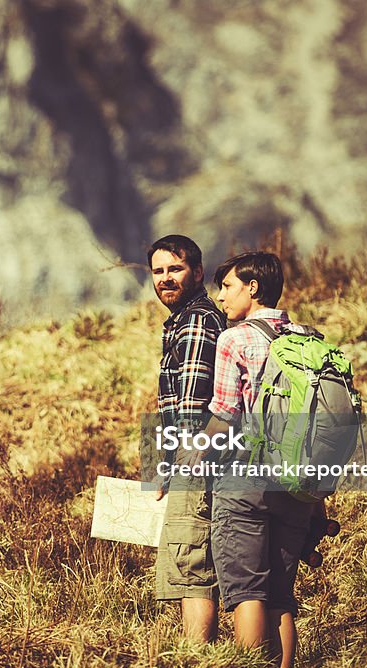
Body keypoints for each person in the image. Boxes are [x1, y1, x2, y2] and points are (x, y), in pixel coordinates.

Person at [203, 251, 314, 668]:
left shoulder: (235, 339)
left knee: (246, 591)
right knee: (281, 595)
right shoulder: (308, 337)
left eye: (228, 286)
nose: (221, 297)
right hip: (297, 483)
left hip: (246, 479)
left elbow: (226, 416)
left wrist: (193, 457)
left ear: (253, 288)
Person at [147, 235, 227, 642]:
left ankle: (198, 658)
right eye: (158, 272)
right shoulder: (185, 320)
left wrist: (176, 463)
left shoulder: (196, 320)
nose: (165, 279)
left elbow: (192, 404)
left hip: (195, 461)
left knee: (191, 563)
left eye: (174, 269)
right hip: (196, 458)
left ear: (197, 272)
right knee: (191, 558)